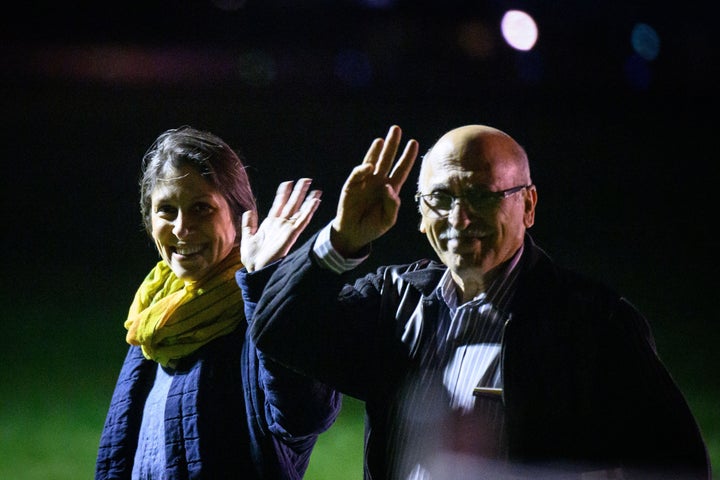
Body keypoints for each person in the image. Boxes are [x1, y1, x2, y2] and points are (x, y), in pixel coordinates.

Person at [243, 125, 711, 479]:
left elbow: (677, 465)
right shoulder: (397, 301)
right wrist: (341, 241)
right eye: (442, 198)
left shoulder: (593, 323)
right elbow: (281, 331)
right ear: (421, 213)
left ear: (528, 205)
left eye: (482, 196)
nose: (460, 218)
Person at [95, 126, 341, 479]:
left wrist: (266, 283)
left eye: (201, 208)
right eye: (166, 210)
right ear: (149, 221)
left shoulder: (262, 306)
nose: (182, 228)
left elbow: (307, 415)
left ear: (239, 217)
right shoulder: (155, 317)